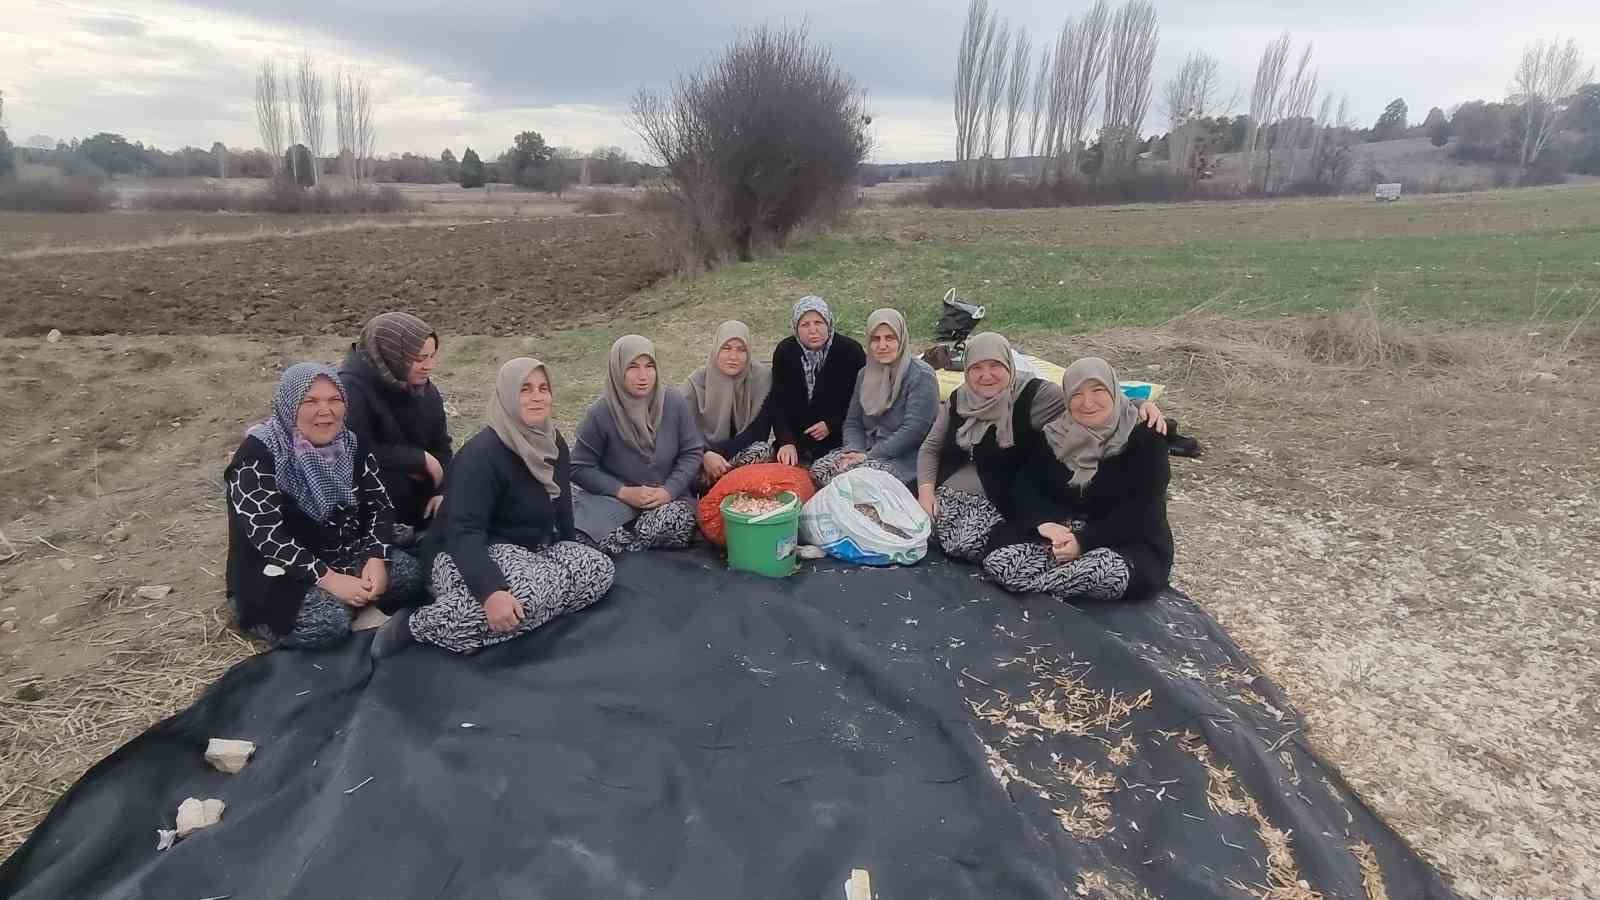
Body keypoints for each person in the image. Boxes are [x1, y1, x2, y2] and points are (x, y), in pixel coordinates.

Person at [372, 358, 615, 657]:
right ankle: (417, 624)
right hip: (461, 554)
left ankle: (523, 613)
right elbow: (463, 532)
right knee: (527, 594)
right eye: (525, 389)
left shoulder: (552, 443)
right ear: (508, 395)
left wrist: (568, 549)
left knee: (597, 570)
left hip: (526, 552)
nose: (537, 396)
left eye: (543, 388)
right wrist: (490, 592)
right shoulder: (483, 454)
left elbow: (562, 504)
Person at [225, 363, 425, 649]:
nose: (325, 411)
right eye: (310, 401)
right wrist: (330, 580)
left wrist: (376, 558)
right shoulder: (258, 456)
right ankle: (264, 616)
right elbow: (267, 538)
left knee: (410, 576)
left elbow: (378, 506)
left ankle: (352, 599)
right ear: (289, 405)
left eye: (335, 400)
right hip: (279, 569)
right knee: (328, 624)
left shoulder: (351, 444)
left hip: (341, 553)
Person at [915, 333, 1165, 562]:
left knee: (966, 545)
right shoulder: (960, 398)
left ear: (1009, 366)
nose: (986, 375)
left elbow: (1085, 403)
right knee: (917, 528)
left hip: (999, 496)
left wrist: (1138, 404)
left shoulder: (1037, 396)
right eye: (976, 368)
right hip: (950, 486)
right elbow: (931, 446)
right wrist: (926, 493)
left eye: (995, 366)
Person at [980, 358, 1173, 604]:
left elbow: (1145, 509)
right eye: (1077, 394)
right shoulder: (1055, 435)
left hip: (1126, 541)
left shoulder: (1144, 437)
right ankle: (1052, 581)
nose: (1087, 402)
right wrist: (1044, 524)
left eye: (1098, 390)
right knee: (1000, 561)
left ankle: (1033, 583)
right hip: (1062, 535)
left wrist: (1084, 542)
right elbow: (1026, 487)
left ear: (1114, 391)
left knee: (1104, 571)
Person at [572, 335, 705, 554]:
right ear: (618, 370)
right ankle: (628, 541)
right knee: (588, 533)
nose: (643, 376)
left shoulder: (674, 402)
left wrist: (668, 490)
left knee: (675, 520)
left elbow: (691, 452)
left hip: (667, 501)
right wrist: (623, 492)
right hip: (616, 504)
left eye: (649, 366)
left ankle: (629, 545)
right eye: (632, 367)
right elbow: (578, 467)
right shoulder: (601, 413)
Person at [338, 312, 452, 543]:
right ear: (391, 355)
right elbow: (353, 450)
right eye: (419, 359)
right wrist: (419, 459)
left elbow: (442, 448)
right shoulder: (349, 389)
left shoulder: (425, 392)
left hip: (421, 499)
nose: (429, 366)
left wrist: (444, 491)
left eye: (432, 356)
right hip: (367, 505)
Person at [809, 307, 938, 488]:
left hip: (905, 457)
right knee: (820, 471)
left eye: (890, 338)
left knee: (857, 483)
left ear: (902, 339)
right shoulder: (865, 374)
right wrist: (854, 450)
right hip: (865, 449)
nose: (882, 345)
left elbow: (914, 431)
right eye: (875, 339)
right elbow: (853, 421)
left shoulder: (921, 375)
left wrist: (868, 456)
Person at [768, 296, 867, 467]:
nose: (813, 330)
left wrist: (832, 424)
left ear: (828, 323)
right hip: (796, 442)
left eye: (818, 323)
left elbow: (860, 401)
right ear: (795, 328)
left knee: (824, 474)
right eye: (805, 325)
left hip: (839, 441)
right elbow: (777, 401)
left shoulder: (851, 352)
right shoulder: (785, 352)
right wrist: (786, 441)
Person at [682, 320, 774, 487]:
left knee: (762, 450)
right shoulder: (695, 384)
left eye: (741, 350)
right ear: (716, 349)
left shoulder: (761, 378)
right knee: (683, 472)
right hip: (701, 459)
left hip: (739, 456)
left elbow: (759, 432)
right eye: (726, 348)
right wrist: (705, 455)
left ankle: (729, 485)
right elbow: (681, 433)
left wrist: (719, 457)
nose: (733, 357)